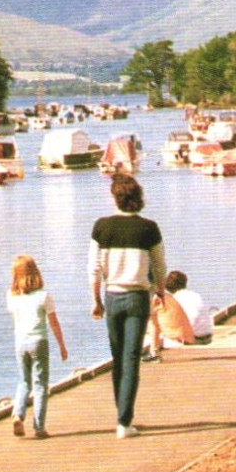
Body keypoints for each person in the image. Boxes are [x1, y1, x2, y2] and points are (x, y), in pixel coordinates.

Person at [89, 174, 167, 439]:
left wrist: (95, 299)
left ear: (115, 197)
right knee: (132, 357)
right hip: (137, 297)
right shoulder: (149, 228)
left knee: (118, 358)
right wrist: (160, 291)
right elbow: (159, 265)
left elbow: (94, 268)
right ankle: (124, 421)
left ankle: (121, 415)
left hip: (112, 295)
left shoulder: (101, 227)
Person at [6, 254, 68, 439]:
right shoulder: (44, 296)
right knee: (40, 384)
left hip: (20, 343)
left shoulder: (11, 296)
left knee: (24, 381)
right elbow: (54, 323)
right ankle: (39, 427)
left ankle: (18, 414)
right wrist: (62, 346)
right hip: (39, 342)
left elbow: (15, 318)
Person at [157, 270, 214, 346]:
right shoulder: (195, 295)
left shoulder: (175, 299)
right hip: (207, 337)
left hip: (191, 339)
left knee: (156, 336)